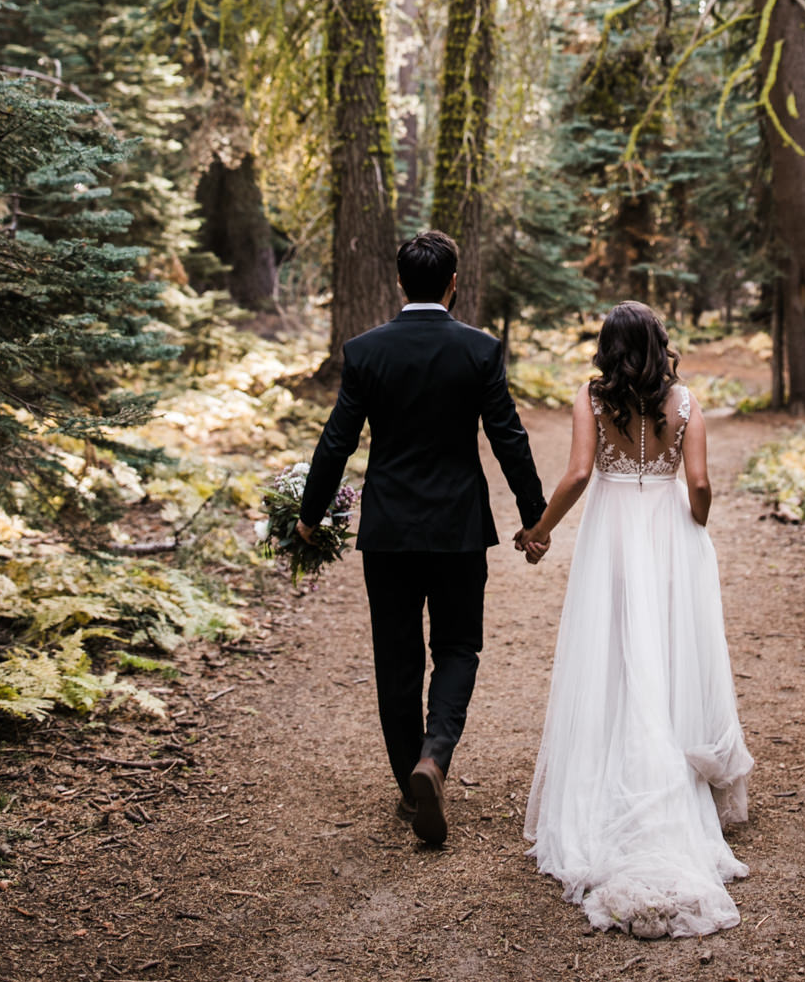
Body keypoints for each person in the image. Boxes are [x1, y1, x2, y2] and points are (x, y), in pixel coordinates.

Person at [298, 228, 546, 848]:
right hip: (460, 528)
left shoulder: (366, 351)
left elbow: (337, 441)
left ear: (400, 282)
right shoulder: (480, 350)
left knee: (397, 657)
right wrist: (533, 515)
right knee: (459, 647)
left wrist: (309, 514)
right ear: (454, 283)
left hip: (388, 531)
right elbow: (507, 437)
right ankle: (435, 757)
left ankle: (412, 787)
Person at [518, 300, 752, 939]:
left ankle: (611, 773)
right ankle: (671, 770)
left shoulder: (592, 400)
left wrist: (539, 530)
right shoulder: (683, 402)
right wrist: (694, 520)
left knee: (617, 647)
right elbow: (699, 484)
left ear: (607, 347)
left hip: (614, 533)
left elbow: (577, 474)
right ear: (659, 343)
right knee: (670, 647)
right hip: (669, 534)